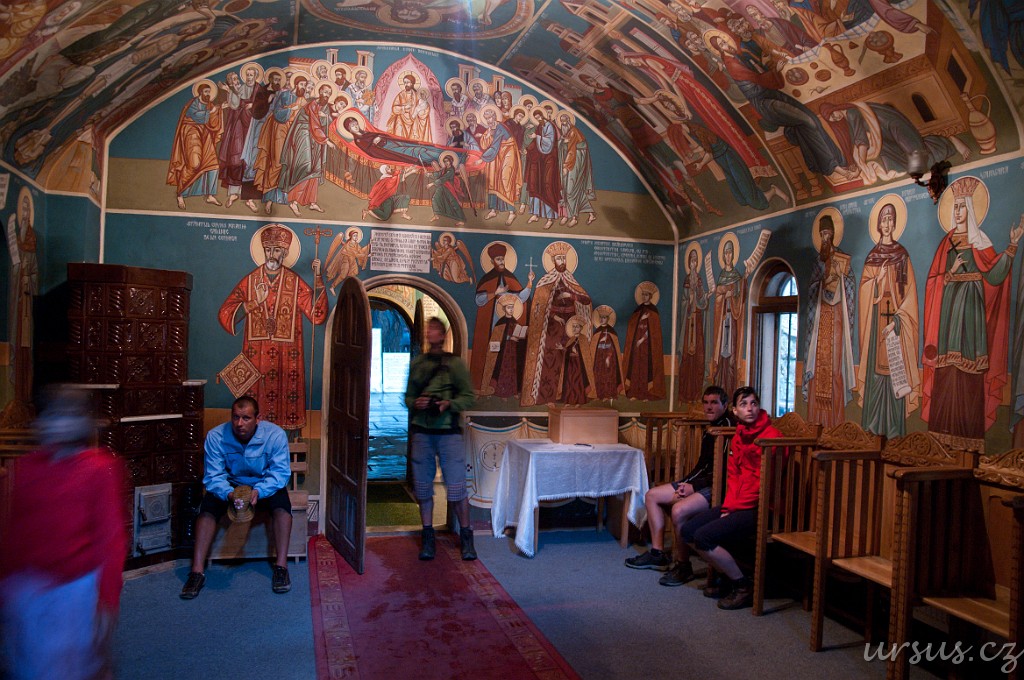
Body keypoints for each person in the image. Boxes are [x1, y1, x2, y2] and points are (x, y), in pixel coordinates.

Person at [1, 386, 127, 680]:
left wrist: (108, 598)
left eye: (70, 415)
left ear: (84, 420)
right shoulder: (24, 468)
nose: (60, 423)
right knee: (30, 662)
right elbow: (15, 531)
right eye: (53, 415)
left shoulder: (100, 468)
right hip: (28, 585)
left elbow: (111, 538)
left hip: (75, 589)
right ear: (40, 421)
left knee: (75, 662)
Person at [180, 396, 293, 599]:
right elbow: (213, 476)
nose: (239, 423)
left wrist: (259, 491)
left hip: (262, 484)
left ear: (258, 418)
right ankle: (196, 572)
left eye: (246, 418)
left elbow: (280, 473)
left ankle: (281, 567)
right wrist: (228, 493)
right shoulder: (216, 436)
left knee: (282, 506)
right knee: (207, 510)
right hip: (231, 485)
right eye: (235, 417)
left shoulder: (275, 435)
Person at [680, 386, 782, 610]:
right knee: (688, 530)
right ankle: (729, 576)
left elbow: (762, 483)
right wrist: (728, 507)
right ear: (735, 410)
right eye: (744, 404)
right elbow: (734, 478)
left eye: (754, 403)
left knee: (704, 537)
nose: (750, 409)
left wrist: (734, 509)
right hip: (737, 504)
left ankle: (742, 585)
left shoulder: (772, 437)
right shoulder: (738, 436)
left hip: (762, 507)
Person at [218, 225, 328, 430]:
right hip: (256, 356)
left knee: (287, 400)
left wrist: (318, 279)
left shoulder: (294, 281)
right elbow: (225, 313)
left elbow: (317, 315)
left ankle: (287, 439)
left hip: (288, 356)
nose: (271, 254)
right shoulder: (251, 280)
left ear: (284, 253)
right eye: (268, 249)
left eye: (276, 250)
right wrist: (253, 303)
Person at [625, 386, 734, 586]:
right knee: (652, 495)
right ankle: (658, 553)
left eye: (714, 403)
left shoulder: (727, 429)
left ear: (725, 405)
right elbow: (702, 465)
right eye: (706, 403)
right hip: (700, 482)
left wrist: (693, 486)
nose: (709, 407)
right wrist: (686, 483)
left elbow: (721, 471)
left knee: (679, 510)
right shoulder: (711, 427)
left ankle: (684, 566)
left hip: (716, 486)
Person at [405, 317, 477, 561]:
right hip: (422, 432)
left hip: (448, 433)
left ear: (443, 334)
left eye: (435, 329)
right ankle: (428, 537)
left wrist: (449, 404)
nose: (430, 332)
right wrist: (416, 402)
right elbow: (407, 397)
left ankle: (466, 537)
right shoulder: (418, 364)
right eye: (429, 329)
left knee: (457, 487)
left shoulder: (455, 364)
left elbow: (468, 396)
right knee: (423, 487)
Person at [856, 199, 921, 439]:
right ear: (878, 224)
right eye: (883, 219)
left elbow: (910, 295)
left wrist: (898, 320)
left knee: (895, 373)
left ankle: (894, 431)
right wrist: (877, 279)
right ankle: (873, 429)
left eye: (890, 219)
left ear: (894, 224)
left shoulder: (902, 256)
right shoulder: (872, 257)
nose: (886, 223)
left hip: (896, 327)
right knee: (876, 373)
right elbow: (864, 291)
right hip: (876, 325)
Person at [803, 213, 856, 429]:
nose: (825, 237)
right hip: (820, 320)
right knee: (817, 370)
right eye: (822, 234)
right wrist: (824, 281)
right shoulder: (817, 262)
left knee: (835, 368)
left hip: (836, 317)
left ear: (833, 234)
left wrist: (841, 278)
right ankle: (815, 421)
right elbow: (812, 288)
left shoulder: (842, 258)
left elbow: (850, 286)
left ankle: (835, 423)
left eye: (828, 233)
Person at [166, 81, 222, 210]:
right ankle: (180, 194)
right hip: (191, 133)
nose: (208, 94)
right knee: (193, 164)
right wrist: (212, 110)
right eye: (206, 92)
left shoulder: (209, 104)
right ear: (200, 92)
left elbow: (213, 122)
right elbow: (199, 117)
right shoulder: (192, 104)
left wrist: (217, 110)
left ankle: (210, 195)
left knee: (213, 165)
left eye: (209, 92)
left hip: (205, 134)